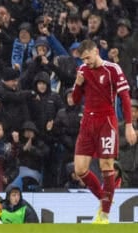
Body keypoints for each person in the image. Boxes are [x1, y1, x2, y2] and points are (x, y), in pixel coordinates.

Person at [72, 39, 137, 224]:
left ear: (96, 51)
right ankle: (104, 198)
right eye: (83, 59)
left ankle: (104, 214)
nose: (86, 62)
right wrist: (77, 84)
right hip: (87, 121)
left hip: (106, 121)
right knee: (80, 169)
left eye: (88, 57)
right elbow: (76, 100)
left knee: (106, 166)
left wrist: (129, 125)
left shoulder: (113, 69)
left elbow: (125, 97)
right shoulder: (83, 70)